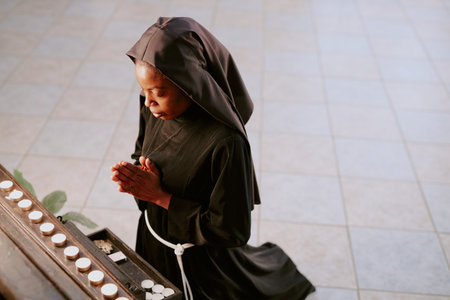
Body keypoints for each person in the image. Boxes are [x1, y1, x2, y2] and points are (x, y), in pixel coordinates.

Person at [111, 17, 315, 300]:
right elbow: (141, 150)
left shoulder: (226, 143)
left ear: (191, 83)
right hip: (154, 238)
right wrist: (137, 177)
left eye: (159, 92)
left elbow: (231, 230)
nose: (148, 102)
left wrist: (159, 196)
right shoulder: (152, 108)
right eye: (143, 91)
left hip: (200, 259)